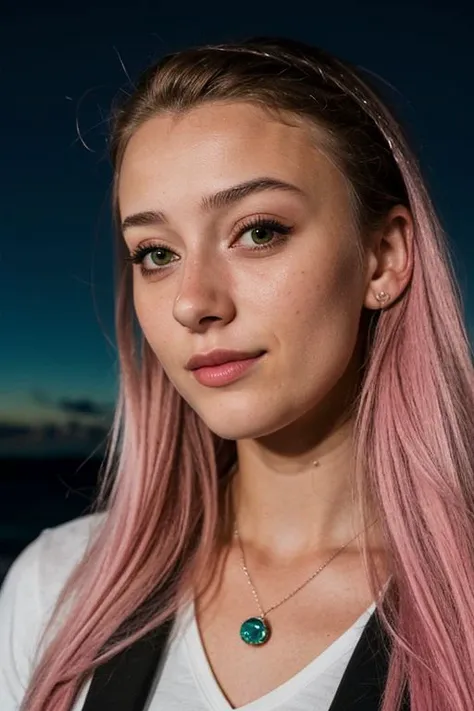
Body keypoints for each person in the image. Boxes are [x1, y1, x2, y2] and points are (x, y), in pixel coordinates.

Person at [1, 35, 473, 711]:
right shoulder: (60, 589)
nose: (193, 301)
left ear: (384, 257)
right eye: (157, 252)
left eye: (258, 231)